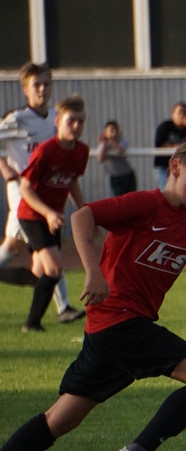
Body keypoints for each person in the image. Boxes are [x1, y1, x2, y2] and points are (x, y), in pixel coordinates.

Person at [0, 140, 186, 451]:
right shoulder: (146, 204)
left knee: (61, 419)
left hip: (113, 330)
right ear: (175, 167)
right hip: (119, 320)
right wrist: (93, 272)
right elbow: (82, 216)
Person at [0, 61, 84, 322]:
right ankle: (63, 308)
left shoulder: (56, 120)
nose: (42, 89)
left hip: (45, 195)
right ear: (26, 89)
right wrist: (4, 167)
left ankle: (63, 308)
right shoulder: (18, 120)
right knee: (27, 250)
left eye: (47, 84)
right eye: (36, 84)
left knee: (35, 255)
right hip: (23, 192)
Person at [17, 95, 89, 333]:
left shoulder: (82, 151)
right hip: (33, 214)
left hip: (53, 217)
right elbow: (25, 187)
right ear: (58, 122)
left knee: (38, 274)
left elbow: (72, 181)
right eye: (71, 120)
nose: (76, 126)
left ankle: (33, 322)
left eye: (80, 121)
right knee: (55, 269)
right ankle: (31, 324)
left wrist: (85, 210)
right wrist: (48, 213)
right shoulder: (46, 151)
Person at [154, 102, 186, 189]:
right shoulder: (165, 127)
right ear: (173, 114)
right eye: (179, 112)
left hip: (180, 167)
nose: (182, 115)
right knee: (166, 191)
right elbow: (160, 145)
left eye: (185, 113)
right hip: (163, 167)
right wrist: (176, 146)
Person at [95, 120, 137, 197]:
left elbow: (120, 150)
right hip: (115, 177)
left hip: (127, 175)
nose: (114, 133)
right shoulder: (103, 145)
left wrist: (112, 143)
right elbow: (100, 159)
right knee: (119, 199)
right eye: (111, 131)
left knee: (131, 198)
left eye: (116, 131)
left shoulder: (122, 141)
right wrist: (104, 143)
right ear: (105, 133)